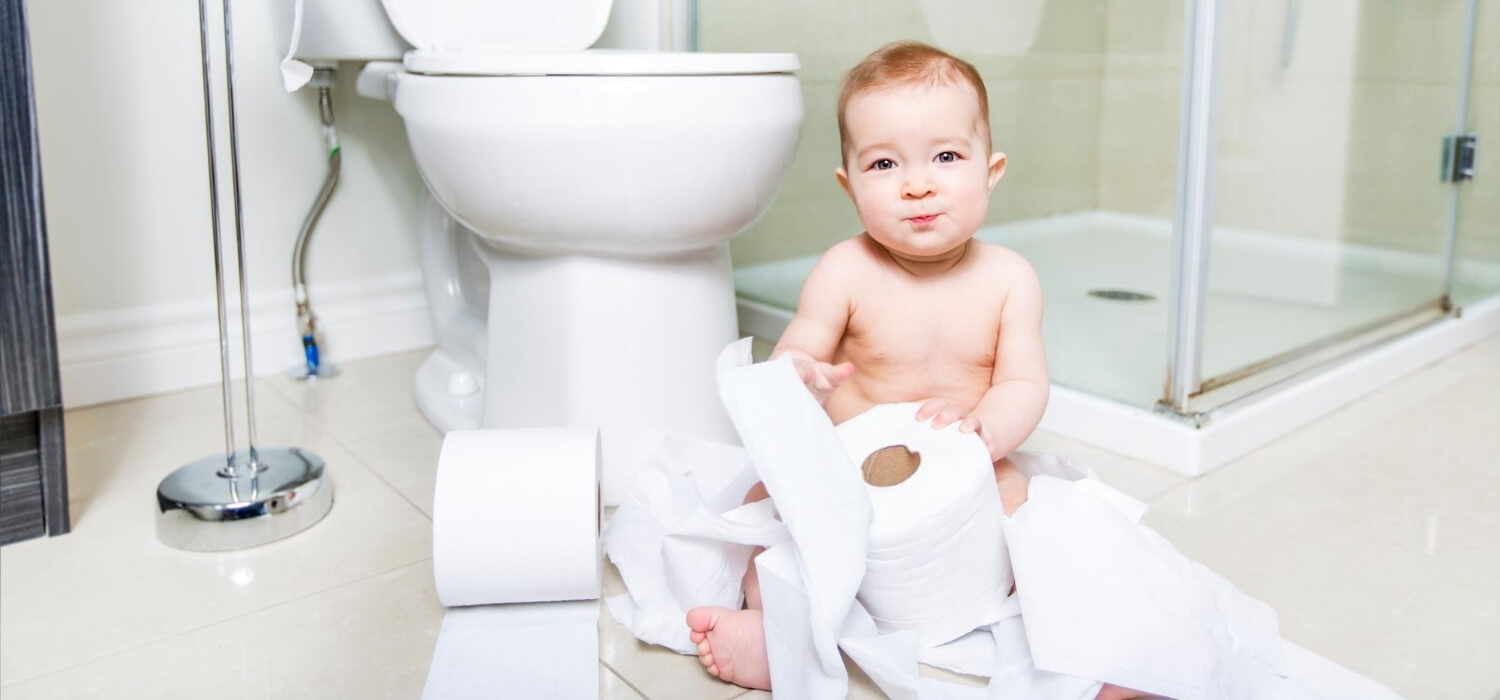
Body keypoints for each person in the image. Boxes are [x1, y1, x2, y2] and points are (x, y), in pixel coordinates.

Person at [684, 41, 1142, 700]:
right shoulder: (845, 269)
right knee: (764, 516)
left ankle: (1076, 653)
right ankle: (772, 629)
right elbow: (800, 345)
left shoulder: (1009, 279)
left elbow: (1023, 382)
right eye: (884, 163)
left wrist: (987, 429)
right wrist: (800, 375)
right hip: (842, 463)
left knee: (1037, 523)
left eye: (947, 157)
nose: (917, 183)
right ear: (848, 183)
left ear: (992, 170)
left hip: (965, 460)